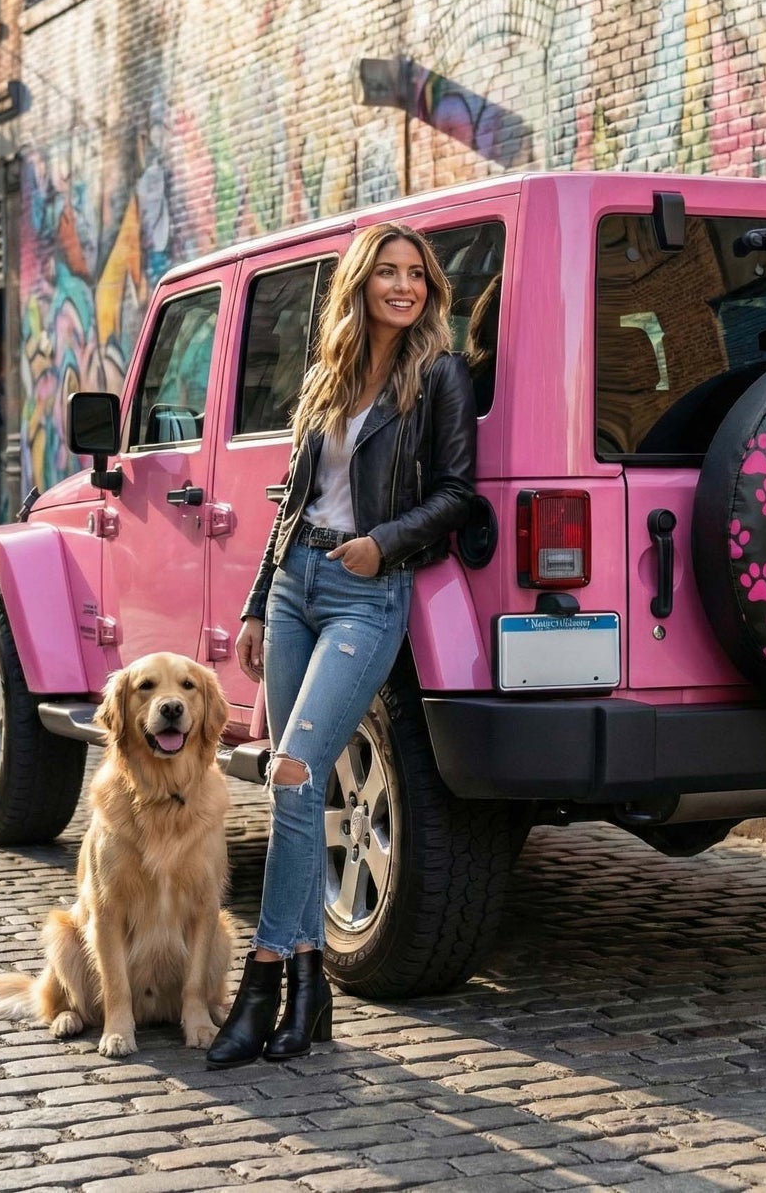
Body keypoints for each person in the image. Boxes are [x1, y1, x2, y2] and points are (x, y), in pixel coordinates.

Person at [206, 223, 477, 1069]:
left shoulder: (438, 374)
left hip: (367, 591)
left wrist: (382, 544)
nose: (403, 286)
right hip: (296, 585)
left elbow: (458, 492)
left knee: (293, 770)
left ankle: (263, 977)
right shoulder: (327, 375)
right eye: (387, 272)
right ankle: (308, 986)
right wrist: (258, 603)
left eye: (416, 274)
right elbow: (292, 501)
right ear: (360, 284)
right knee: (293, 786)